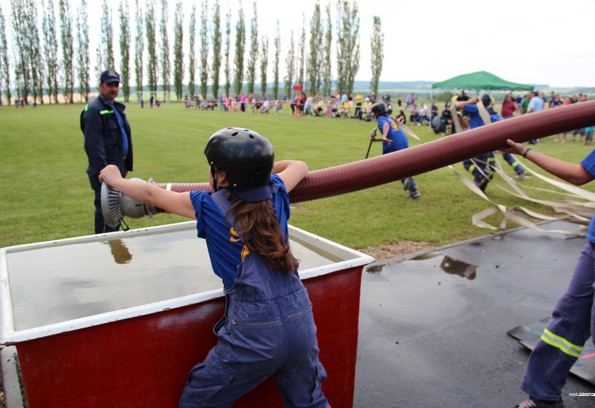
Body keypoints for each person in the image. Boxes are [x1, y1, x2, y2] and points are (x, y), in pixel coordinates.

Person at [98, 128, 330, 408]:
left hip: (255, 331)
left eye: (212, 168)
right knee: (310, 402)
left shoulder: (207, 205)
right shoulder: (277, 190)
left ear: (220, 176)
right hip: (301, 317)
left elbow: (151, 194)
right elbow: (300, 166)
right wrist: (261, 173)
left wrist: (114, 178)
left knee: (198, 402)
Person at [502, 134, 595, 408]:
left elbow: (577, 176)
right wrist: (523, 150)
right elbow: (582, 173)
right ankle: (543, 397)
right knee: (568, 318)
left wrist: (525, 152)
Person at [81, 69, 133, 234]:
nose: (113, 88)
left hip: (118, 168)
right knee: (106, 214)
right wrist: (105, 173)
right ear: (101, 86)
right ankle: (102, 249)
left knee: (116, 211)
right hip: (105, 172)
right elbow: (93, 146)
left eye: (116, 84)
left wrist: (124, 168)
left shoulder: (114, 108)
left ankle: (113, 244)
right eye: (109, 84)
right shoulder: (95, 110)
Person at [369, 102, 421, 199]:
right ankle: (414, 190)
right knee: (398, 165)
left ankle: (405, 178)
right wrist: (377, 139)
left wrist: (383, 136)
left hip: (393, 145)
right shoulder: (390, 118)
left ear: (376, 113)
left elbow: (385, 126)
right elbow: (391, 134)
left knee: (390, 166)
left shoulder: (381, 119)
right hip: (402, 142)